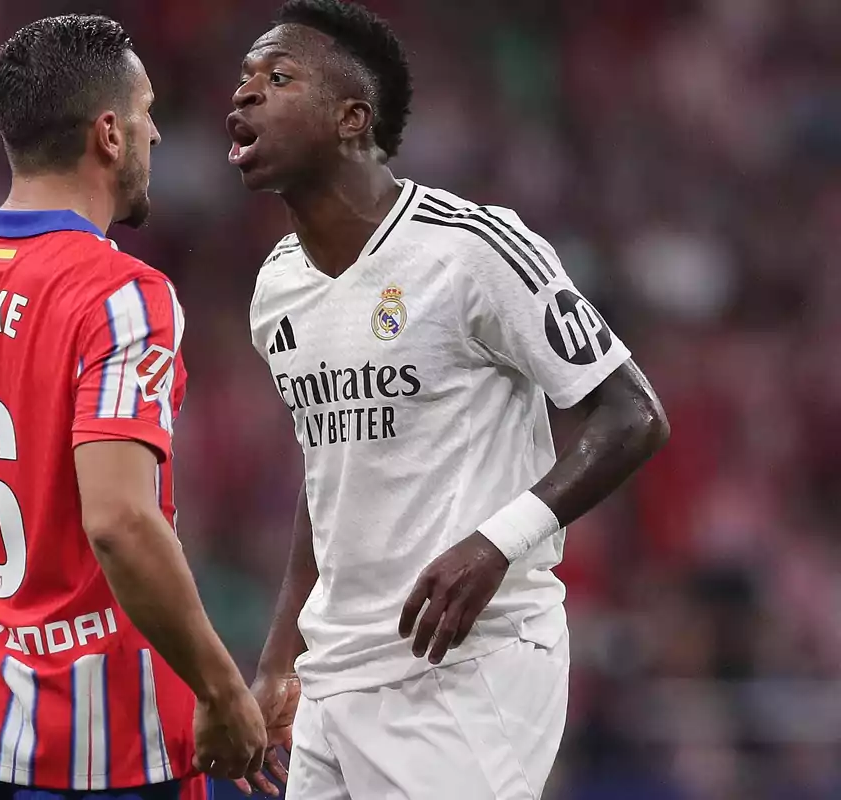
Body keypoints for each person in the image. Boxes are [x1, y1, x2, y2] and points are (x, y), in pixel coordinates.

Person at [227, 2, 670, 798]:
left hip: (466, 666)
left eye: (278, 76)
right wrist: (279, 661)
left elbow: (634, 414)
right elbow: (328, 474)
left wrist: (495, 544)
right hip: (333, 679)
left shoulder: (474, 249)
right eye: (246, 78)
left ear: (351, 118)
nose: (245, 94)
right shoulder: (277, 290)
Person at [0, 15, 265, 800]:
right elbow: (120, 520)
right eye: (146, 114)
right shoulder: (123, 298)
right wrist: (221, 689)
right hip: (111, 753)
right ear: (109, 133)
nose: (157, 136)